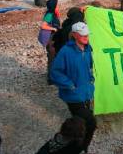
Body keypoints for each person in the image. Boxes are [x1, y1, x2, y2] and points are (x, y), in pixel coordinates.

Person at [50, 22, 96, 153]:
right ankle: (81, 147)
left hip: (87, 93)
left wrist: (91, 77)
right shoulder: (66, 51)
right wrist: (69, 84)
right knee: (91, 122)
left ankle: (72, 144)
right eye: (83, 35)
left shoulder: (88, 50)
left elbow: (89, 67)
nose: (86, 37)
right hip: (73, 96)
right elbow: (55, 72)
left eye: (87, 34)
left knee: (81, 124)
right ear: (75, 35)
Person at [38, 0, 60, 82]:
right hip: (50, 39)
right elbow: (43, 26)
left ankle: (52, 75)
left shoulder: (53, 14)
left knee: (53, 57)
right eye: (57, 5)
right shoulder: (50, 15)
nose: (58, 7)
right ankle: (51, 78)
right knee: (52, 57)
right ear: (53, 6)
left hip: (52, 38)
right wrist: (53, 28)